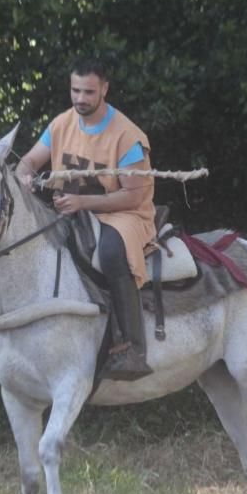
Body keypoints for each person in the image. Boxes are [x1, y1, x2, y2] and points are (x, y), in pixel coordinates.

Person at [15, 57, 157, 380]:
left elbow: (134, 195)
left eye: (89, 92)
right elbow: (29, 161)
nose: (80, 99)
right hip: (71, 209)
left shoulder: (127, 136)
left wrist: (82, 202)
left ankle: (132, 348)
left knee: (109, 253)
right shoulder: (61, 124)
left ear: (104, 89)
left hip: (124, 215)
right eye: (75, 90)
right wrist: (23, 175)